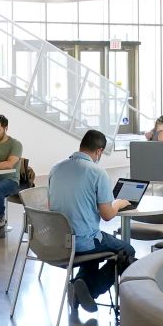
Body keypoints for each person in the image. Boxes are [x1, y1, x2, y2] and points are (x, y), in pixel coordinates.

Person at [46, 129, 135, 312]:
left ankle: (80, 283)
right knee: (127, 249)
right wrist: (118, 203)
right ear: (99, 151)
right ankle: (91, 289)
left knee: (93, 241)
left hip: (58, 242)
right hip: (83, 242)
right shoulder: (98, 173)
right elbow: (108, 215)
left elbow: (51, 207)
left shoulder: (56, 169)